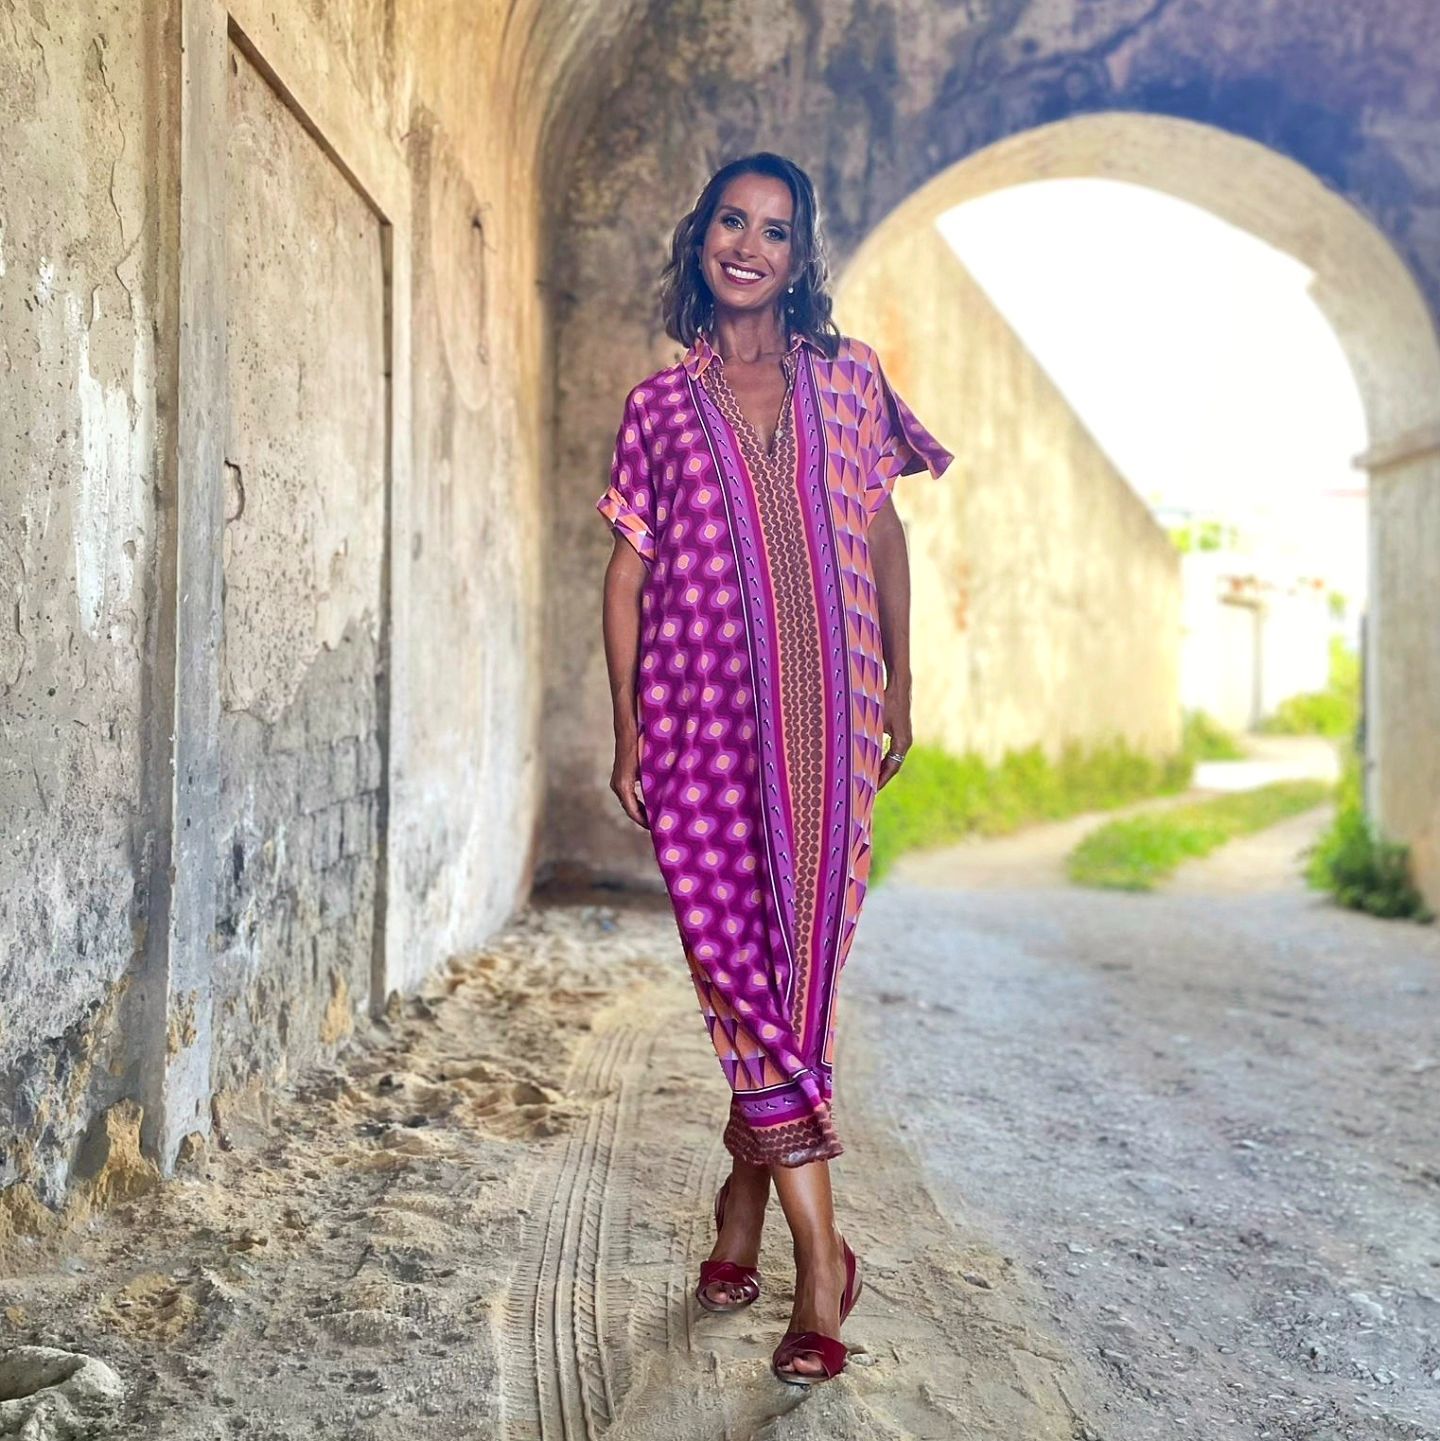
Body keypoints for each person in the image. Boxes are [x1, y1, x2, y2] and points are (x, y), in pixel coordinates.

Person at [596, 151, 952, 1386]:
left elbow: (882, 531)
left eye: (776, 230)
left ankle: (747, 1218)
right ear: (701, 237)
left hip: (833, 724)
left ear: (802, 259)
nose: (749, 246)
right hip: (698, 726)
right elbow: (630, 572)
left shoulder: (850, 381)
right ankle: (822, 1260)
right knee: (734, 971)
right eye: (731, 222)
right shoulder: (658, 406)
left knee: (795, 982)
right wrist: (629, 728)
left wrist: (901, 680)